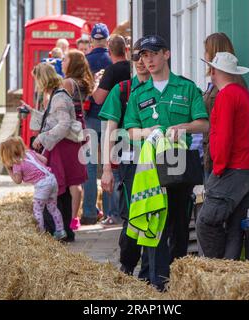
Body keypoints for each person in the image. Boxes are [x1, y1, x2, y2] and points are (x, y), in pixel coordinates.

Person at [123, 35, 209, 291]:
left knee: (179, 224)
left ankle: (178, 279)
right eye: (142, 56)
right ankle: (157, 281)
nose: (147, 60)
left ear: (166, 54)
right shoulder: (139, 94)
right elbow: (130, 131)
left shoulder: (186, 88)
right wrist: (148, 132)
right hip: (149, 168)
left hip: (179, 164)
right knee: (153, 219)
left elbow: (204, 124)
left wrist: (180, 127)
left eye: (152, 54)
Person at [99, 38, 151, 277]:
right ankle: (128, 264)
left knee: (154, 213)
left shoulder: (164, 89)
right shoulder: (122, 90)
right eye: (137, 57)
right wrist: (107, 169)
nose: (141, 62)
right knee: (132, 215)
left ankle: (150, 270)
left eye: (146, 56)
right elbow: (109, 130)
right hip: (129, 163)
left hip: (160, 161)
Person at [22, 63, 88, 242]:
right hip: (63, 146)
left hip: (62, 148)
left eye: (37, 80)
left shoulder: (58, 97)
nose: (36, 84)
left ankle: (59, 231)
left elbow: (64, 124)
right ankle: (65, 230)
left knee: (58, 190)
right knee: (62, 190)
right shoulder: (58, 94)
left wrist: (42, 138)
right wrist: (32, 111)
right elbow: (51, 119)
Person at [197, 52, 249, 261]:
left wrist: (218, 169)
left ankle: (218, 267)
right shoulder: (240, 93)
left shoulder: (227, 95)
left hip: (230, 168)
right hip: (241, 167)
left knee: (206, 222)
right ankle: (228, 268)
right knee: (234, 227)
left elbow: (223, 136)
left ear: (214, 71)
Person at [93, 34, 131, 226]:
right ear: (125, 49)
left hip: (114, 122)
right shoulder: (132, 67)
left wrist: (96, 83)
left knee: (114, 171)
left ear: (110, 51)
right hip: (133, 125)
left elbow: (98, 98)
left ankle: (115, 214)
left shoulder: (112, 70)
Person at [0, 137, 67, 241]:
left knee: (37, 210)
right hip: (51, 179)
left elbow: (18, 181)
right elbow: (45, 160)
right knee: (53, 208)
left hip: (42, 185)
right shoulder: (30, 153)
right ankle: (60, 231)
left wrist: (10, 171)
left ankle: (40, 234)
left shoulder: (17, 165)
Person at [202, 33, 247, 183]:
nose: (204, 54)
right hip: (213, 154)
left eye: (206, 50)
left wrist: (219, 167)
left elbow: (224, 130)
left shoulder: (229, 87)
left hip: (225, 162)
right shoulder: (217, 84)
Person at [82, 23, 113, 226]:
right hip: (111, 118)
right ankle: (111, 213)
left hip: (91, 116)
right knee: (110, 166)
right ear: (107, 40)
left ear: (92, 40)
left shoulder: (86, 61)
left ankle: (90, 213)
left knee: (91, 167)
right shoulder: (114, 60)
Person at [61, 49, 95, 231]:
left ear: (72, 63)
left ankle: (69, 218)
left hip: (69, 130)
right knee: (77, 175)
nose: (62, 61)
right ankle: (74, 219)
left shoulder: (67, 82)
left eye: (65, 59)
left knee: (70, 178)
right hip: (81, 127)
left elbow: (60, 106)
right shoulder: (85, 82)